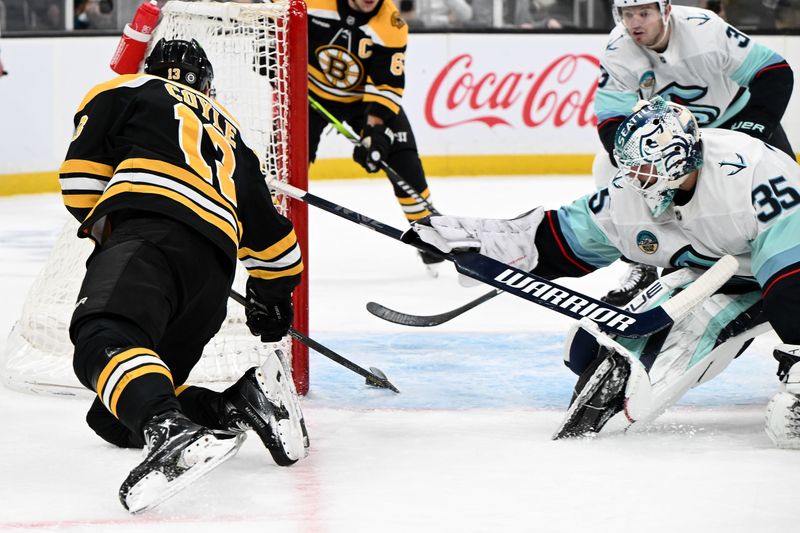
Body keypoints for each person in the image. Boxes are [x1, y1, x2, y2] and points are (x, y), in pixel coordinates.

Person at [408, 96, 800, 449]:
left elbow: (791, 269)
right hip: (712, 273)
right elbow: (558, 237)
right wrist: (479, 242)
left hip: (784, 270)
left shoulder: (752, 172)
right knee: (588, 349)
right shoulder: (634, 191)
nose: (632, 179)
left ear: (676, 159)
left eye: (642, 168)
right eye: (629, 168)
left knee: (777, 305)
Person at [59, 38, 309, 513]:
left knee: (101, 338)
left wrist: (112, 232)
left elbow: (80, 180)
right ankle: (243, 402)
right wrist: (271, 298)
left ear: (154, 68)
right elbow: (273, 237)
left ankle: (169, 432)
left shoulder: (127, 88)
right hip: (213, 271)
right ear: (207, 86)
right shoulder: (232, 133)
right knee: (113, 418)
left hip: (148, 236)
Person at [593, 0, 794, 306]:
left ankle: (787, 270)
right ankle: (643, 261)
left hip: (734, 122)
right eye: (627, 13)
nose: (635, 22)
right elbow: (611, 117)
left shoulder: (705, 28)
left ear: (666, 10)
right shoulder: (618, 47)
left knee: (788, 197)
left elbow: (774, 71)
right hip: (671, 139)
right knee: (607, 169)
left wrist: (751, 129)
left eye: (644, 13)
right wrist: (629, 157)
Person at [306, 0, 444, 273]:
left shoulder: (391, 24)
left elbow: (386, 84)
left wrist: (375, 131)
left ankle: (427, 234)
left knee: (402, 160)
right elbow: (264, 12)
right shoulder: (312, 2)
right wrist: (271, 53)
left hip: (363, 101)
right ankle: (271, 232)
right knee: (288, 165)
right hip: (307, 95)